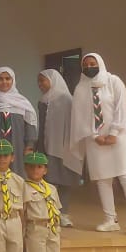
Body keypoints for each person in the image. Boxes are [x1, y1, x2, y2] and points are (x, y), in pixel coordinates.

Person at [70, 53, 126, 233]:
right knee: (103, 178)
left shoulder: (113, 81)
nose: (89, 67)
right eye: (85, 65)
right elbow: (79, 117)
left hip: (121, 135)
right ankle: (110, 219)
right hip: (95, 138)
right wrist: (94, 135)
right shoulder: (80, 89)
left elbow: (121, 108)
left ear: (100, 63)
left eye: (93, 63)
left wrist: (113, 133)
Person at [36, 69, 82, 228]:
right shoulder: (42, 102)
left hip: (65, 147)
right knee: (50, 181)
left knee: (65, 181)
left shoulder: (67, 99)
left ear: (53, 80)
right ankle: (51, 212)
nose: (40, 84)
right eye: (38, 81)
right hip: (48, 146)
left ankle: (64, 214)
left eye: (43, 80)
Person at [0, 67, 38, 175]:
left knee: (17, 176)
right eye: (0, 79)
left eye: (7, 78)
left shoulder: (22, 102)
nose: (4, 82)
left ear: (13, 80)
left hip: (17, 146)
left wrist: (29, 147)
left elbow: (30, 124)